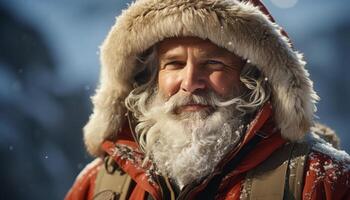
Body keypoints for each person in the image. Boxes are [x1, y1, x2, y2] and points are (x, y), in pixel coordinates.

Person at [65, 0, 350, 199]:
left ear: (254, 78)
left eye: (213, 64)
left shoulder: (322, 180)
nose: (190, 83)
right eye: (174, 64)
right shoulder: (100, 185)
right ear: (150, 79)